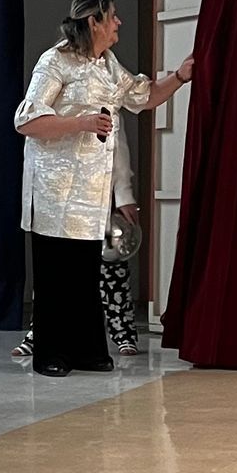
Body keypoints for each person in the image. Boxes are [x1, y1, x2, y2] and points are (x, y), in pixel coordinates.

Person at [15, 0, 193, 375]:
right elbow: (26, 121)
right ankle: (51, 353)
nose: (118, 23)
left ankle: (86, 350)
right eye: (112, 17)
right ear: (94, 21)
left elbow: (142, 96)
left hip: (91, 191)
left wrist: (180, 77)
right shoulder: (55, 61)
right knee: (55, 275)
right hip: (55, 189)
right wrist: (81, 122)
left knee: (83, 274)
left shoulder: (109, 65)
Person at [98, 134, 141, 360]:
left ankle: (123, 331)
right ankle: (42, 333)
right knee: (55, 266)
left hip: (101, 194)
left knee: (112, 266)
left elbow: (117, 145)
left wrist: (124, 193)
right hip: (59, 193)